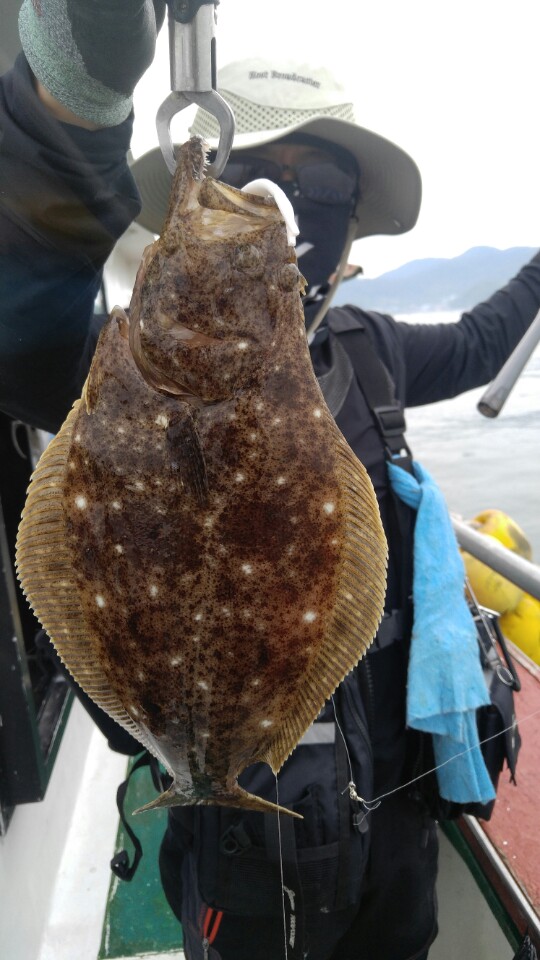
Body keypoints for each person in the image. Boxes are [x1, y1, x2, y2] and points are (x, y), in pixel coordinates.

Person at [1, 5, 539, 960]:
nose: (282, 199)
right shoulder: (110, 361)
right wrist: (74, 107)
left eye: (321, 185)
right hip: (237, 825)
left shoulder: (372, 350)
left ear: (346, 224)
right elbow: (23, 309)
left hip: (393, 802)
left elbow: (480, 341)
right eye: (252, 170)